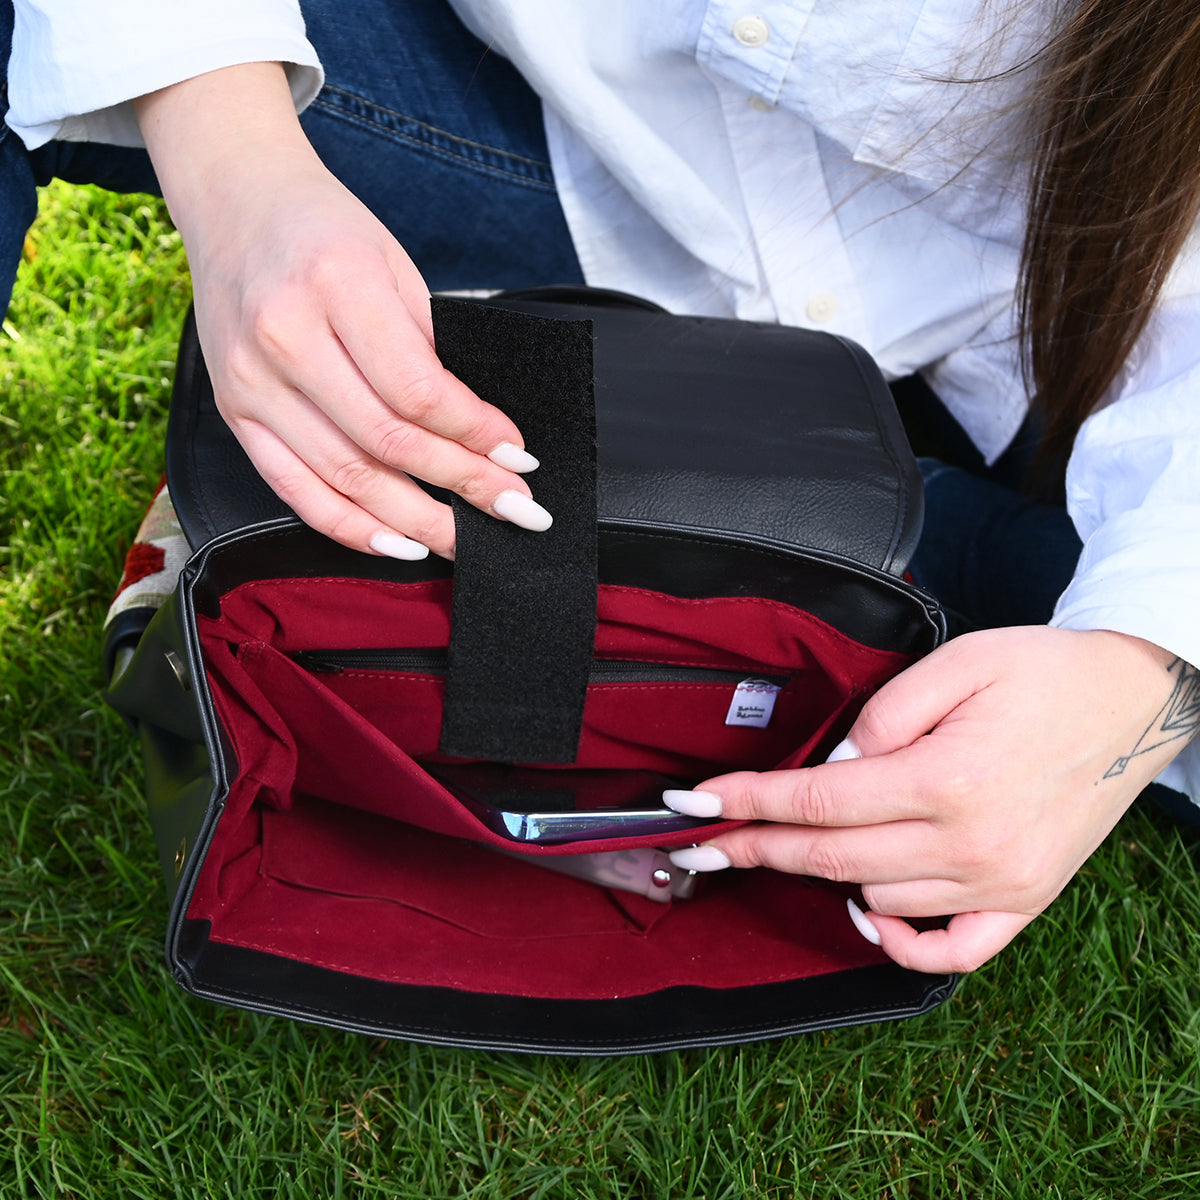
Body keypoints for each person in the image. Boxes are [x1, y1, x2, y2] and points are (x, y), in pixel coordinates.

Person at [5, 0, 1200, 975]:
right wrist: (240, 172)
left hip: (1046, 288)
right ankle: (852, 530)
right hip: (566, 130)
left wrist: (1141, 674)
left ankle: (869, 520)